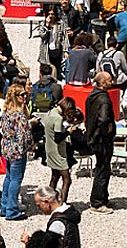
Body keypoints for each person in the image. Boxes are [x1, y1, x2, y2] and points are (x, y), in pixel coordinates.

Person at [0, 83, 33, 221]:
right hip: (17, 150)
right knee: (16, 179)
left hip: (7, 148)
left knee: (9, 177)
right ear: (17, 97)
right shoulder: (19, 115)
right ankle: (12, 210)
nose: (25, 97)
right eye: (23, 95)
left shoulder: (6, 112)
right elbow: (24, 136)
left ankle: (4, 206)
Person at [85, 71, 116, 214]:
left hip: (94, 137)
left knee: (103, 167)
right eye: (110, 80)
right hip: (102, 139)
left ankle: (103, 197)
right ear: (102, 83)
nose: (112, 82)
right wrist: (107, 130)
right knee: (102, 169)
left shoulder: (92, 96)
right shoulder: (103, 99)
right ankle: (97, 202)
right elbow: (103, 119)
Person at [44, 97, 81, 207]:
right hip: (58, 152)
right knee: (67, 179)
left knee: (54, 176)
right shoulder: (58, 118)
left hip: (49, 148)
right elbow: (58, 138)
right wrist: (68, 132)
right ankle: (62, 203)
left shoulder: (51, 112)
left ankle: (48, 200)